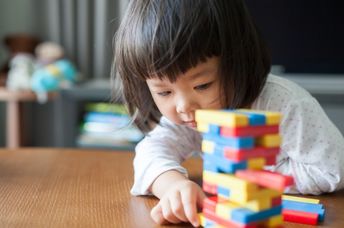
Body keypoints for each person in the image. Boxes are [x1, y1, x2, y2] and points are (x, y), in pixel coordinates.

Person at [112, 0, 344, 226]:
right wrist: (173, 185)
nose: (183, 106)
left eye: (202, 85)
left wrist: (252, 179)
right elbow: (151, 152)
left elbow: (333, 170)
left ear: (236, 61)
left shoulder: (284, 104)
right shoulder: (191, 116)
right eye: (164, 92)